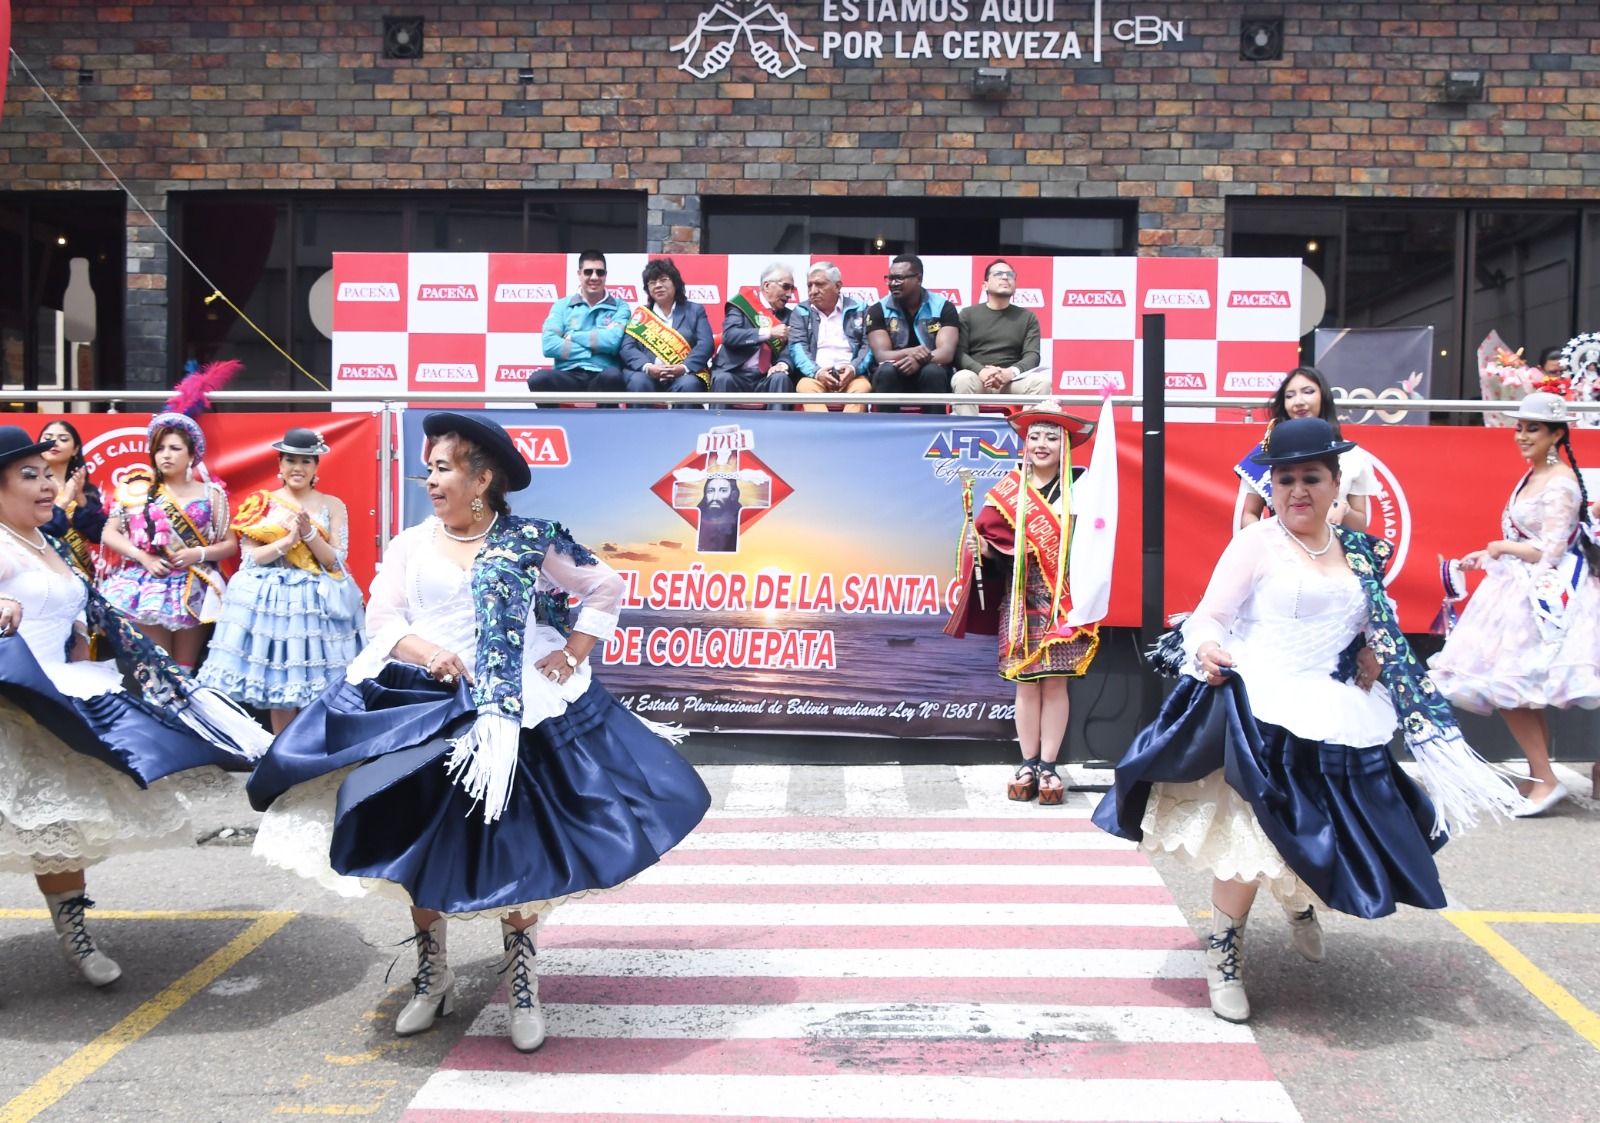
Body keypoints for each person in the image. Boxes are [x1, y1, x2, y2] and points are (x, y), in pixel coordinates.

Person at [247, 412, 710, 1054]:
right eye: (429, 469)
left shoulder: (532, 538)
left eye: (443, 469)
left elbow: (604, 584)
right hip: (425, 701)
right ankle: (432, 975)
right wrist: (427, 653)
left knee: (518, 846)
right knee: (419, 839)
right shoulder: (411, 544)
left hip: (516, 704)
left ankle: (522, 984)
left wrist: (571, 652)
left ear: (482, 479)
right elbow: (382, 617)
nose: (432, 481)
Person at [1093, 418, 1524, 1024]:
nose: (1298, 490)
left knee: (1314, 834)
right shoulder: (1256, 543)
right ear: (1270, 486)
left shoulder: (1359, 550)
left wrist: (1370, 649)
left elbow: (1368, 623)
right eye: (1285, 479)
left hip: (1333, 715)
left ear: (1336, 483)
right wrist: (1207, 648)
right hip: (1259, 713)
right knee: (1248, 842)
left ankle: (1298, 904)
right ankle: (1224, 957)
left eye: (1312, 478)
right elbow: (1210, 617)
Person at [0, 425, 268, 989]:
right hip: (10, 708)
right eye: (30, 475)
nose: (48, 484)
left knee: (60, 829)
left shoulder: (44, 541)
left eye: (48, 473)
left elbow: (73, 607)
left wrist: (80, 637)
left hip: (59, 700)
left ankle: (75, 937)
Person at [1428, 392, 1600, 816]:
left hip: (1544, 600)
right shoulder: (1535, 475)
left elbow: (1552, 550)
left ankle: (1546, 778)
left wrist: (1501, 547)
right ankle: (1541, 775)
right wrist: (1488, 555)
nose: (1522, 436)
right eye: (1519, 427)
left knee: (1508, 687)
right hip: (1519, 592)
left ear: (1556, 435)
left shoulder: (1559, 481)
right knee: (1513, 690)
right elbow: (1528, 541)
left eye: (1532, 429)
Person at [946, 401, 1100, 805]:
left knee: (1056, 683)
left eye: (1051, 437)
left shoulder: (1082, 487)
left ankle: (1049, 766)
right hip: (1019, 595)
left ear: (1066, 444)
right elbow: (994, 546)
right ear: (1024, 443)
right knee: (1026, 684)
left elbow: (1095, 547)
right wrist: (981, 549)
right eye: (1034, 437)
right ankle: (1027, 763)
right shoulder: (1009, 489)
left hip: (1064, 596)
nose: (1041, 444)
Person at [197, 428, 365, 734]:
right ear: (280, 464)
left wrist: (309, 534)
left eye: (305, 461)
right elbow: (250, 559)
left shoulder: (332, 505)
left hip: (316, 602)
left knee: (319, 684)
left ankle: (312, 748)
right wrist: (287, 542)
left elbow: (335, 561)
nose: (297, 467)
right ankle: (280, 748)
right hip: (271, 602)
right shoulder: (261, 503)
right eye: (290, 460)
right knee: (278, 681)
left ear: (316, 466)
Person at [99, 371, 238, 668]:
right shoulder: (137, 488)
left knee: (185, 668)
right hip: (149, 580)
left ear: (191, 455)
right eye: (160, 449)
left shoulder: (212, 493)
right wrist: (143, 557)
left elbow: (230, 544)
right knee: (159, 668)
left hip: (195, 582)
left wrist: (198, 553)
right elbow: (109, 532)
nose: (166, 455)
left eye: (175, 449)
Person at [1237, 367, 1377, 532]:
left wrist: (1343, 509)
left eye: (1308, 392)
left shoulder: (1352, 456)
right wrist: (1269, 541)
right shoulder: (1268, 454)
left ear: (1323, 397)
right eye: (1290, 395)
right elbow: (1250, 514)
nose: (1298, 402)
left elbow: (1360, 525)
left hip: (1332, 544)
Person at [950, 259, 1052, 415]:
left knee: (1042, 382)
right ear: (985, 285)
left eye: (1010, 275)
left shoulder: (1027, 317)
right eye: (998, 274)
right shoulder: (968, 314)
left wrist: (1010, 372)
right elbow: (959, 352)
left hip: (1011, 382)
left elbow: (1032, 355)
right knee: (962, 378)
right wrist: (981, 371)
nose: (1005, 277)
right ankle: (968, 428)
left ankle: (1027, 430)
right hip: (978, 378)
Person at [528, 251, 629, 402]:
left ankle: (606, 418)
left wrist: (572, 336)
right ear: (579, 274)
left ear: (606, 275)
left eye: (600, 272)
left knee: (613, 376)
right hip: (567, 374)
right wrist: (592, 350)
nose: (594, 277)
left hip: (602, 374)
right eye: (588, 272)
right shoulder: (562, 305)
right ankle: (558, 417)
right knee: (538, 379)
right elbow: (549, 345)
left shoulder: (621, 306)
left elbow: (612, 342)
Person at [866, 253, 960, 415]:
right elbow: (882, 355)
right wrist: (912, 352)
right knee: (887, 371)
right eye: (890, 278)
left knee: (933, 372)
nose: (893, 283)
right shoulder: (878, 309)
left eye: (899, 278)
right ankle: (886, 428)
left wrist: (918, 360)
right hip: (894, 374)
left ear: (918, 279)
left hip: (931, 373)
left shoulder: (943, 307)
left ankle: (934, 428)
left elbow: (946, 352)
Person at [618, 257, 713, 403]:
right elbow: (627, 347)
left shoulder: (694, 310)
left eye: (663, 280)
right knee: (638, 381)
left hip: (684, 376)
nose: (658, 285)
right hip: (647, 375)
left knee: (689, 384)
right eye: (652, 282)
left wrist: (683, 368)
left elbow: (705, 344)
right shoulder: (641, 315)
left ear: (675, 283)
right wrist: (648, 367)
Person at [786, 262, 873, 412]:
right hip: (816, 376)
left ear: (838, 286)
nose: (813, 291)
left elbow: (869, 345)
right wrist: (817, 372)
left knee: (862, 387)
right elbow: (797, 347)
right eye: (809, 285)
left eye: (819, 284)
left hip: (852, 376)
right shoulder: (801, 311)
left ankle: (846, 428)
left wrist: (853, 368)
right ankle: (823, 427)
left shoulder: (860, 309)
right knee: (805, 386)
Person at [711, 262, 796, 409]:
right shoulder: (740, 306)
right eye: (785, 287)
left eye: (792, 289)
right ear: (767, 285)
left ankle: (777, 425)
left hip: (767, 377)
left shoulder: (791, 316)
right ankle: (718, 424)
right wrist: (768, 333)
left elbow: (792, 348)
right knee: (723, 379)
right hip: (735, 373)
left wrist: (782, 364)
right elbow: (730, 336)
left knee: (781, 378)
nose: (789, 294)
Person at [38, 420, 107, 582]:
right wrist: (65, 501)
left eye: (63, 439)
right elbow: (40, 531)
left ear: (75, 449)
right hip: (42, 568)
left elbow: (99, 535)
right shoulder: (30, 487)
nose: (54, 443)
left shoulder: (87, 490)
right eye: (48, 438)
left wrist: (80, 498)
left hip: (80, 572)